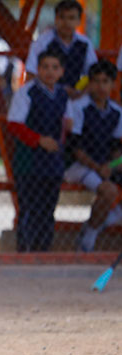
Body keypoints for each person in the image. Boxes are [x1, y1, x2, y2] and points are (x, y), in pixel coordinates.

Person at [7, 50, 73, 252]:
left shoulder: (63, 95)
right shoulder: (27, 92)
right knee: (29, 207)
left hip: (53, 162)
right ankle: (25, 250)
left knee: (48, 208)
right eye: (45, 67)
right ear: (37, 69)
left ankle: (43, 250)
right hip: (29, 161)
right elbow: (14, 124)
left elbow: (68, 124)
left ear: (61, 71)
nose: (50, 72)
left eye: (55, 67)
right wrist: (39, 140)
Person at [64, 60, 122, 251]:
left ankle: (110, 217)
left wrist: (112, 165)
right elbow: (75, 148)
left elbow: (116, 146)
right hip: (78, 166)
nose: (101, 86)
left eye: (106, 81)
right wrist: (99, 168)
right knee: (109, 191)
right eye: (96, 81)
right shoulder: (79, 107)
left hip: (104, 166)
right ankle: (88, 239)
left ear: (113, 84)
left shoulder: (116, 111)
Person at [24, 0, 97, 98]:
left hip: (75, 97)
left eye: (71, 18)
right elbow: (31, 75)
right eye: (62, 17)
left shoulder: (85, 43)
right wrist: (59, 90)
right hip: (45, 96)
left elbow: (95, 74)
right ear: (55, 19)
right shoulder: (42, 42)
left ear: (79, 21)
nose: (66, 22)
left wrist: (81, 94)